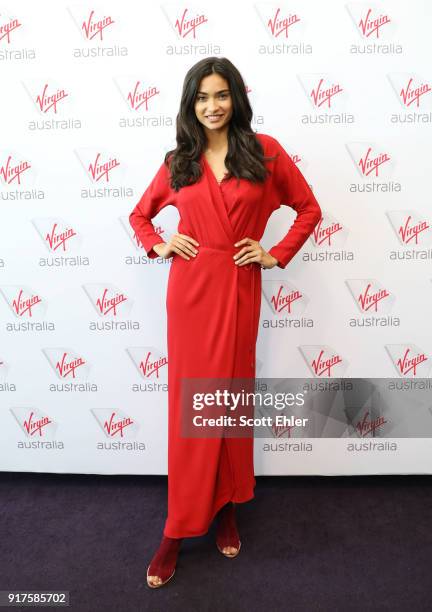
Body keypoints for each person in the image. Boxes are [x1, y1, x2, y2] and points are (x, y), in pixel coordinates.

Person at [129, 56, 322, 588]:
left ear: (236, 98)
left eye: (221, 95)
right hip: (189, 293)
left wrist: (274, 252)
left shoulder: (265, 153)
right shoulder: (179, 161)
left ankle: (229, 503)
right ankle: (176, 528)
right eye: (201, 97)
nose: (212, 106)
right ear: (190, 104)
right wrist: (159, 244)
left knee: (228, 402)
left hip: (239, 289)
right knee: (191, 407)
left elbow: (308, 209)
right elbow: (139, 216)